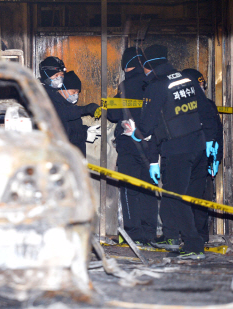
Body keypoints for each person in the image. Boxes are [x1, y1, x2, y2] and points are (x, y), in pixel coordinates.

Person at [122, 44, 220, 260]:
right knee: (191, 196)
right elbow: (207, 112)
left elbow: (148, 127)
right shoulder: (189, 80)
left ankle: (194, 246)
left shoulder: (157, 86)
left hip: (177, 150)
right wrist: (211, 140)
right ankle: (179, 238)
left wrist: (135, 135)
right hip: (199, 146)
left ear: (148, 64)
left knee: (175, 197)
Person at [107, 47, 158, 246]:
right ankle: (150, 233)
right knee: (149, 190)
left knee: (129, 190)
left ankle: (133, 235)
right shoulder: (151, 84)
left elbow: (112, 113)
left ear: (126, 66)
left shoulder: (126, 86)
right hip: (150, 146)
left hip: (129, 146)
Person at [182, 68, 224, 244]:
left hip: (205, 160)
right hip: (186, 160)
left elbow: (217, 133)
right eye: (198, 85)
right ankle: (186, 236)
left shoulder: (208, 105)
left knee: (203, 199)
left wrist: (216, 158)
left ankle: (201, 237)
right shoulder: (180, 107)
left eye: (202, 85)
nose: (201, 88)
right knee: (184, 200)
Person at [39, 57, 99, 156]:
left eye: (62, 75)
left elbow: (68, 121)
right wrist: (85, 134)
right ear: (46, 74)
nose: (60, 78)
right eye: (56, 75)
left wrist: (85, 129)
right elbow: (61, 119)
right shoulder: (43, 95)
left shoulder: (54, 94)